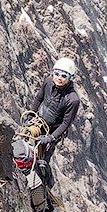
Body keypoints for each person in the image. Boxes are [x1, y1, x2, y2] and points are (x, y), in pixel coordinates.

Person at [29, 57, 80, 188]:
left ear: (70, 77)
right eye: (57, 73)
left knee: (41, 161)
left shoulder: (72, 100)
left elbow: (66, 123)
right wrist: (31, 114)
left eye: (64, 75)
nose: (59, 78)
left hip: (52, 131)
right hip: (38, 122)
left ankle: (45, 185)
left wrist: (50, 138)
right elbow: (39, 98)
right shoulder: (48, 82)